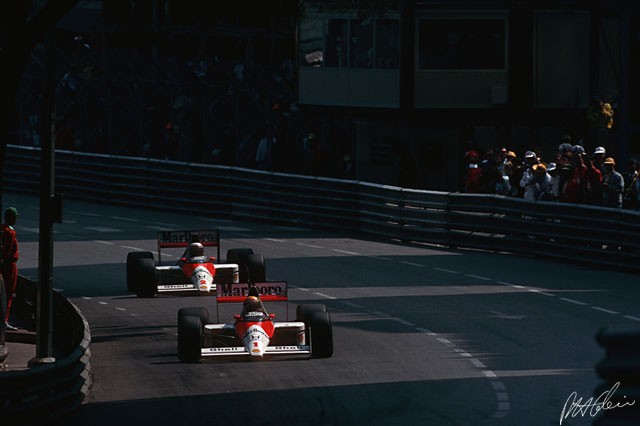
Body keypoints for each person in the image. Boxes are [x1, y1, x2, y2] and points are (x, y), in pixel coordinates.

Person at [2, 207, 19, 330]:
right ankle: (4, 319)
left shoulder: (2, 228)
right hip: (9, 265)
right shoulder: (10, 232)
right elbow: (7, 250)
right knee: (8, 292)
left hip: (4, 264)